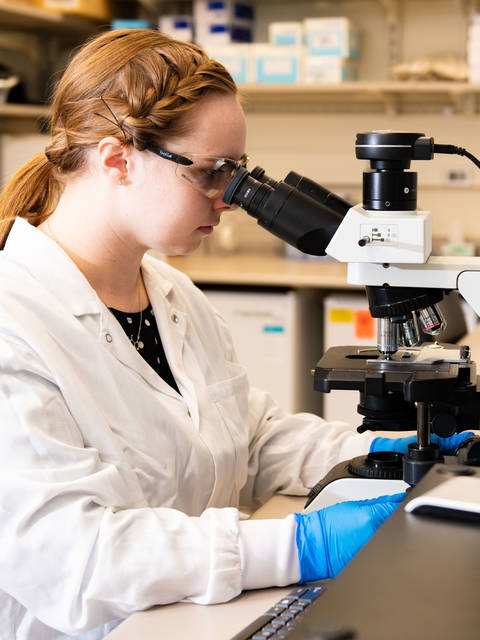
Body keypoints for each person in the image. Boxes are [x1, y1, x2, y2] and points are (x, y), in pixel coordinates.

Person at [0, 29, 471, 640]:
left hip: (202, 617)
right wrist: (303, 545)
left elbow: (249, 442)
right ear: (117, 160)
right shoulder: (16, 323)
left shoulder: (172, 295)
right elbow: (76, 554)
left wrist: (395, 456)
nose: (229, 197)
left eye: (238, 172)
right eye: (210, 173)